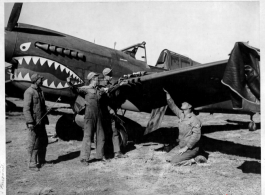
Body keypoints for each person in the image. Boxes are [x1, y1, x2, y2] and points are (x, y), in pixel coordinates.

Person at [66, 72, 106, 166]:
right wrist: (70, 83)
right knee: (87, 136)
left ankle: (100, 155)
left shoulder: (99, 90)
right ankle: (84, 158)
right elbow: (75, 90)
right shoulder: (86, 89)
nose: (97, 80)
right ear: (92, 79)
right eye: (96, 78)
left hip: (99, 115)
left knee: (101, 136)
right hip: (89, 115)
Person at [163, 89, 203, 165]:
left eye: (185, 102)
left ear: (189, 106)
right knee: (168, 157)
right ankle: (195, 156)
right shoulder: (182, 115)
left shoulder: (194, 119)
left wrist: (186, 148)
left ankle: (193, 160)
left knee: (174, 162)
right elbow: (172, 106)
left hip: (191, 148)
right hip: (182, 146)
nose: (182, 102)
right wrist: (168, 94)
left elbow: (196, 136)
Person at [23, 73, 49, 171]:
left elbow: (41, 106)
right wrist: (30, 122)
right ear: (36, 80)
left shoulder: (40, 91)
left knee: (43, 141)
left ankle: (42, 161)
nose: (42, 81)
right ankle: (32, 164)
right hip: (34, 122)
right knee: (34, 143)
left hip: (41, 121)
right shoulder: (29, 92)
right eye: (41, 79)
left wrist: (46, 109)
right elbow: (26, 109)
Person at [101, 68, 127, 158]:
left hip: (111, 112)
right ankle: (103, 154)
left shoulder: (110, 84)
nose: (111, 76)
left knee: (114, 131)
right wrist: (118, 85)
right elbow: (107, 93)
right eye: (109, 75)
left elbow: (112, 92)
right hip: (105, 112)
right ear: (105, 75)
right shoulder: (101, 84)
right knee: (103, 133)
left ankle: (117, 152)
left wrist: (118, 85)